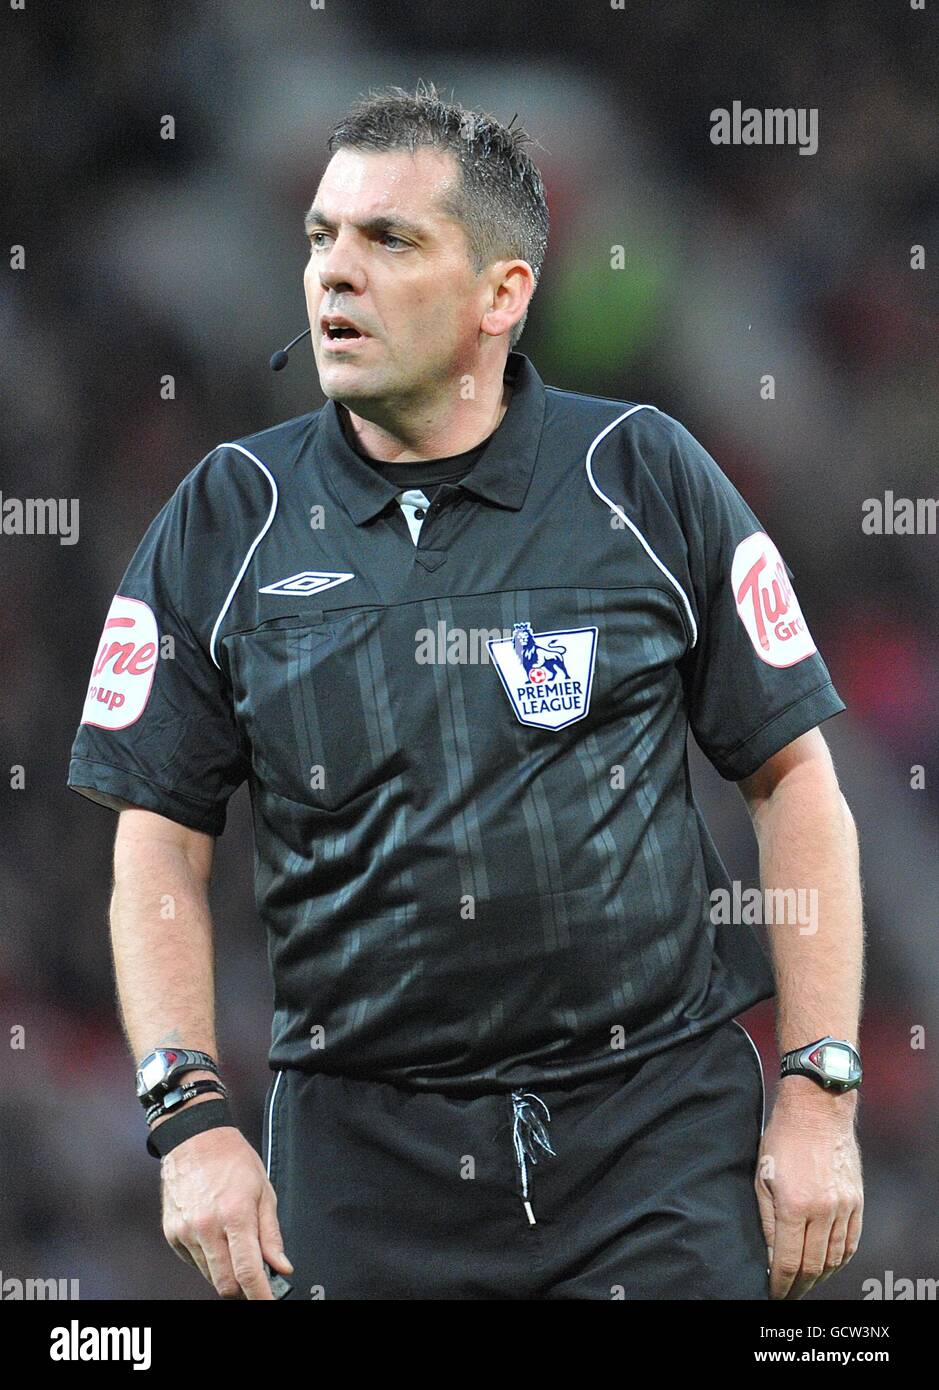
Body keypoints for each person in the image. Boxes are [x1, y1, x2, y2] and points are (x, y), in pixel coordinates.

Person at [67, 81, 864, 1301]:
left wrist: (819, 1084)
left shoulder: (640, 475)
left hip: (651, 1141)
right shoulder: (228, 516)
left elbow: (793, 775)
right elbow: (157, 846)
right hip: (360, 1162)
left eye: (390, 239)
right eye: (321, 238)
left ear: (503, 294)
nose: (337, 273)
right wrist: (188, 1116)